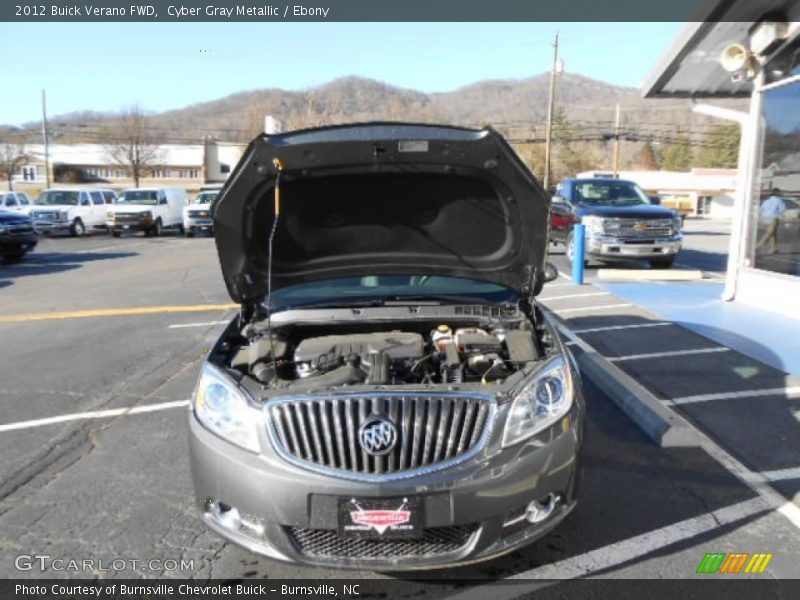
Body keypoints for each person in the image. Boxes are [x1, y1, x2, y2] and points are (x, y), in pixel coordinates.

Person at [755, 187, 787, 255]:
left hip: (765, 219)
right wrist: (780, 214)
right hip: (773, 218)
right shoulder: (778, 200)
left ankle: (774, 249)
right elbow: (782, 209)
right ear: (777, 193)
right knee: (769, 233)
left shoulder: (767, 201)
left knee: (773, 234)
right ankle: (758, 246)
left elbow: (761, 209)